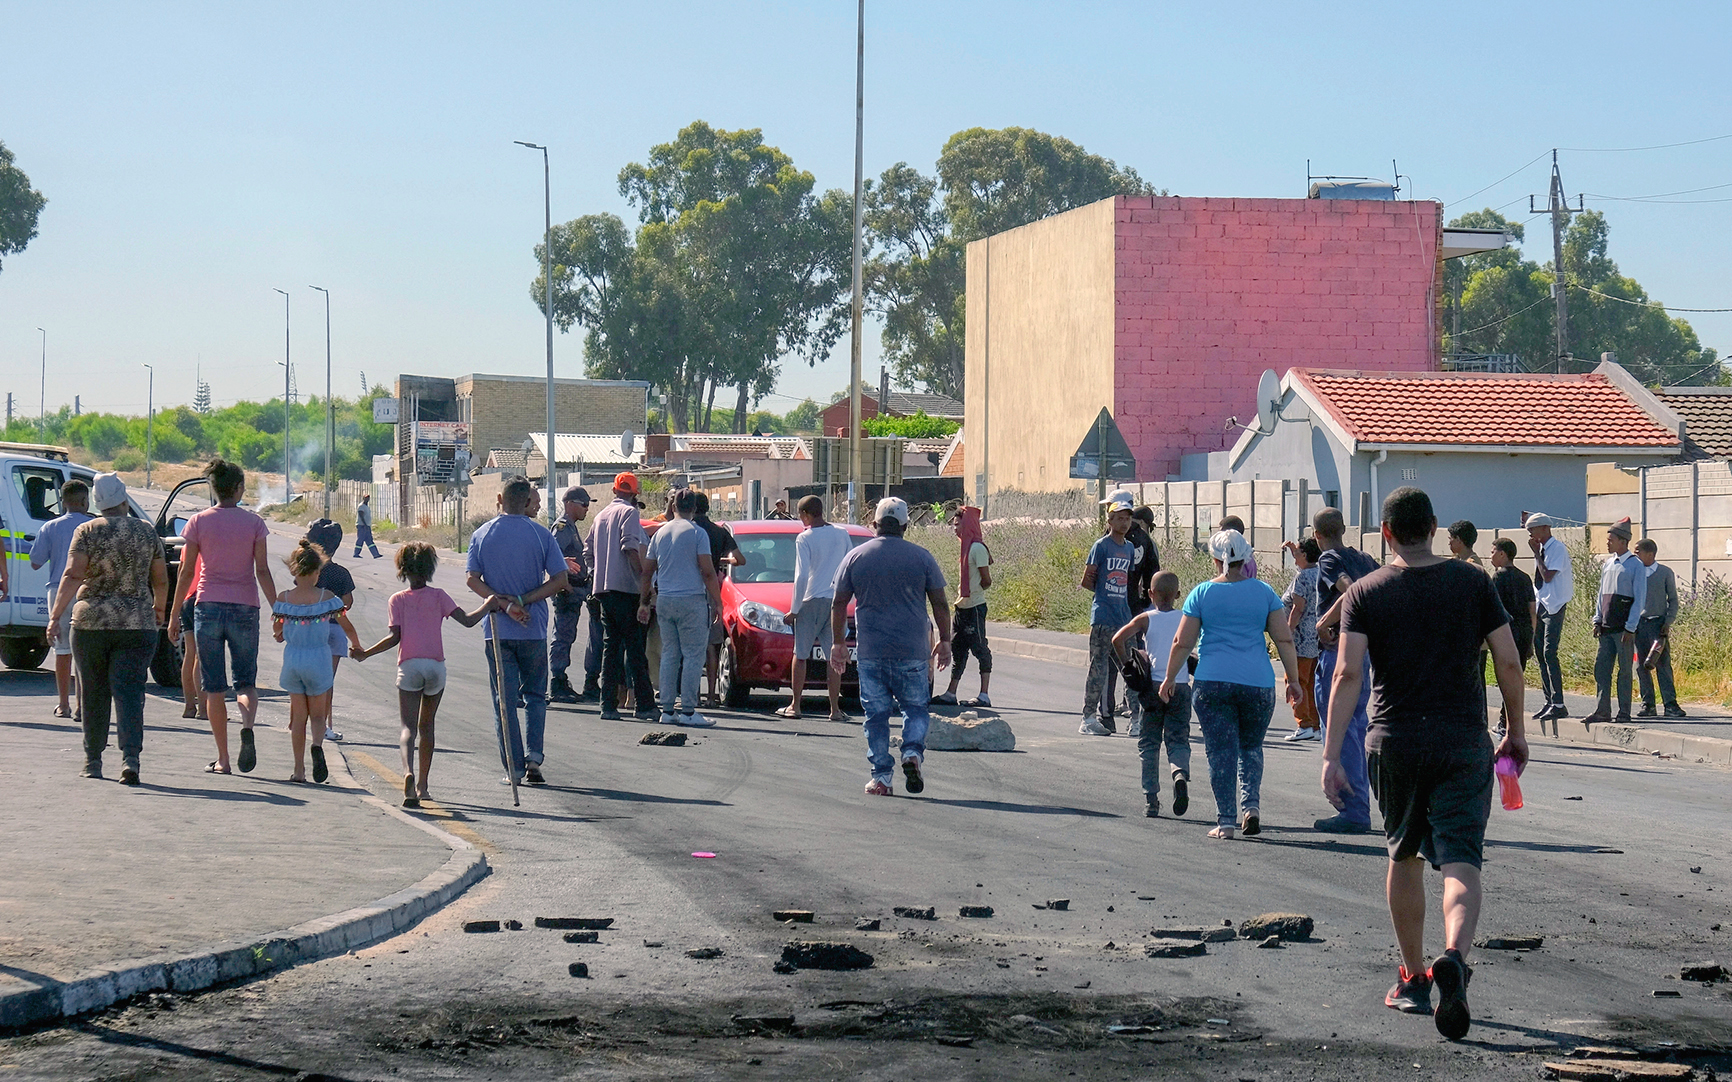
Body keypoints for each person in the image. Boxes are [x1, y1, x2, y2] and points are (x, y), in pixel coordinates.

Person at [1324, 486, 1529, 1041]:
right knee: (1462, 860)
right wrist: (1515, 730)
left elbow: (1345, 676)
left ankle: (1414, 977)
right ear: (1435, 527)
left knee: (1405, 853)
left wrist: (1329, 753)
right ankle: (1455, 958)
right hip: (1463, 741)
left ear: (1386, 532)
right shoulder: (1473, 582)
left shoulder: (1366, 592)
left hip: (1394, 743)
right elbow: (1508, 661)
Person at [1158, 530, 1300, 839]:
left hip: (1213, 684)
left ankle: (1226, 822)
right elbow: (1284, 638)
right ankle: (1251, 807)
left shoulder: (1202, 593)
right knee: (1251, 748)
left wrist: (1170, 677)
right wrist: (1293, 680)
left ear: (1215, 559)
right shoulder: (1264, 593)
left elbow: (1183, 642)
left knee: (1220, 753)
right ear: (1246, 558)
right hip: (1257, 683)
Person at [353, 541, 499, 807]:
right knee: (427, 727)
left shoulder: (396, 600)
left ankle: (407, 772)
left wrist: (365, 653)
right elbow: (467, 620)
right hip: (435, 667)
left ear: (403, 570)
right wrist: (488, 605)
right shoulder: (439, 596)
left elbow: (393, 638)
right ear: (429, 568)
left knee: (408, 727)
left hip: (409, 666)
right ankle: (423, 786)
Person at [46, 474, 168, 785]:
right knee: (130, 692)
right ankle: (130, 759)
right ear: (125, 500)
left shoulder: (86, 531)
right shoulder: (147, 532)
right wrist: (159, 610)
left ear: (97, 504)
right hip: (137, 624)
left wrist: (56, 614)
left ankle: (93, 760)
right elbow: (160, 579)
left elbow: (73, 575)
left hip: (91, 624)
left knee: (93, 690)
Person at [830, 497, 952, 796]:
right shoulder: (922, 557)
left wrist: (838, 643)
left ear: (874, 524)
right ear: (906, 526)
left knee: (876, 716)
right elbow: (940, 603)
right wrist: (946, 641)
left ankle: (882, 777)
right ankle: (911, 752)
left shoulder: (856, 557)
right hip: (912, 650)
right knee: (915, 709)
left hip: (872, 651)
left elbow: (838, 603)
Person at [168, 459, 278, 775]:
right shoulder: (255, 524)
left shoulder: (198, 523)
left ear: (213, 489)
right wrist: (279, 610)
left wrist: (175, 614)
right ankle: (247, 725)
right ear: (240, 489)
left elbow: (186, 572)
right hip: (245, 606)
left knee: (214, 686)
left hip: (208, 607)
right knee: (246, 682)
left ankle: (224, 759)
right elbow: (262, 570)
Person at [465, 476, 570, 785]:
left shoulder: (482, 534)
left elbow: (473, 578)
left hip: (497, 628)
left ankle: (512, 767)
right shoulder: (540, 535)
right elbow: (560, 579)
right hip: (534, 628)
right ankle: (534, 758)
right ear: (526, 502)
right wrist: (524, 600)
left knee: (505, 700)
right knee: (536, 695)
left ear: (500, 498)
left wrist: (503, 604)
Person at [1310, 507, 1380, 834]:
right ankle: (1360, 801)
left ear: (1317, 535)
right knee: (1357, 723)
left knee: (1339, 726)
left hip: (1337, 650)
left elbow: (1351, 590)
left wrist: (1325, 620)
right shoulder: (1365, 559)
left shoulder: (1328, 560)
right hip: (1363, 649)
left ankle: (1354, 808)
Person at [271, 540, 362, 784]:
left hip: (293, 659)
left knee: (298, 717)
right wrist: (355, 644)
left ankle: (299, 769)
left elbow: (277, 629)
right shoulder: (328, 598)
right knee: (318, 715)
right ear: (317, 572)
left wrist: (281, 634)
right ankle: (317, 745)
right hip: (319, 658)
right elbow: (346, 624)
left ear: (293, 570)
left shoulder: (284, 598)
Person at [638, 488, 723, 727]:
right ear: (694, 509)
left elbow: (647, 571)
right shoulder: (697, 533)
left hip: (665, 599)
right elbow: (707, 571)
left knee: (670, 654)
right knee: (693, 655)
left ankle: (667, 709)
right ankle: (687, 710)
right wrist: (717, 602)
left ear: (673, 506)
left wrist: (644, 602)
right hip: (692, 599)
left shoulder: (660, 533)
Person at [1112, 569, 1192, 818]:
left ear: (1150, 593)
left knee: (1149, 743)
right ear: (1178, 594)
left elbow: (1117, 639)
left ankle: (1151, 800)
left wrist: (1128, 665)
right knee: (1177, 739)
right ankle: (1178, 773)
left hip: (1153, 687)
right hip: (1179, 685)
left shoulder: (1146, 618)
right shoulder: (1186, 619)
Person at [588, 472, 658, 721]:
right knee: (635, 649)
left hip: (604, 591)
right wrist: (644, 580)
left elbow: (588, 552)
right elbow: (629, 546)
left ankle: (607, 705)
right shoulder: (629, 513)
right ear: (633, 494)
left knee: (611, 648)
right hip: (626, 590)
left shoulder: (600, 516)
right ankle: (645, 705)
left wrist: (597, 573)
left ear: (615, 490)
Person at [782, 494, 853, 721]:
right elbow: (849, 565)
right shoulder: (842, 534)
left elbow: (801, 576)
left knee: (800, 654)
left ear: (805, 515)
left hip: (811, 600)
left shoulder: (805, 538)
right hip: (836, 602)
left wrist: (794, 609)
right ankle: (834, 709)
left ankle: (796, 705)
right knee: (834, 655)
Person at [1079, 491, 1144, 735]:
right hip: (1104, 617)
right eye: (1119, 518)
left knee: (1132, 669)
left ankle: (1136, 720)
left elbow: (1129, 581)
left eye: (1127, 518)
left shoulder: (1129, 548)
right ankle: (1088, 717)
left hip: (1124, 618)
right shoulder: (1101, 546)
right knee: (1099, 668)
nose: (1124, 523)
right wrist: (1104, 595)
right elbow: (1087, 579)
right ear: (1109, 521)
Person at [29, 477, 93, 721]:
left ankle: (63, 704)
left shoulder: (50, 527)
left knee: (62, 649)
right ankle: (82, 706)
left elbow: (35, 562)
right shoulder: (93, 525)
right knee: (84, 652)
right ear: (85, 501)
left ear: (63, 502)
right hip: (86, 590)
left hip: (57, 591)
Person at [932, 504, 994, 709]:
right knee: (958, 650)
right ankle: (951, 693)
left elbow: (987, 580)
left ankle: (984, 695)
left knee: (980, 649)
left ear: (968, 526)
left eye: (958, 525)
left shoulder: (976, 548)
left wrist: (974, 590)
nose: (955, 529)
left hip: (974, 607)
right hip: (962, 607)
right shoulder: (965, 547)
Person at [1586, 518, 1645, 724]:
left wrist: (1631, 627)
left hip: (1623, 630)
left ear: (1623, 541)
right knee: (1602, 670)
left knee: (1624, 672)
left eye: (1611, 540)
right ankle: (1602, 710)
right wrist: (1597, 619)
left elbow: (1639, 599)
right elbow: (1602, 594)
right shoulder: (1608, 564)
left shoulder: (1635, 565)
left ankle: (1624, 712)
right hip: (1606, 628)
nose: (1608, 543)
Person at [304, 519, 354, 741]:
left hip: (308, 630)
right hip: (333, 630)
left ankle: (298, 721)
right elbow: (348, 601)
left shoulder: (308, 571)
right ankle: (324, 726)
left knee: (306, 678)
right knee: (327, 680)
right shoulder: (340, 573)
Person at [692, 492, 743, 706]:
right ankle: (712, 696)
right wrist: (721, 559)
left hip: (689, 588)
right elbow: (740, 560)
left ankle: (692, 694)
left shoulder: (687, 530)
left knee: (690, 646)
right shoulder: (719, 532)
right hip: (712, 590)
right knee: (712, 645)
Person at [1525, 512, 1574, 724]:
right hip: (1542, 603)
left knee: (1549, 651)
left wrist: (1536, 554)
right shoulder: (1543, 549)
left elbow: (1548, 576)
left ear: (1544, 528)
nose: (1530, 534)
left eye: (1533, 530)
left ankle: (1559, 703)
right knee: (1540, 652)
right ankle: (1549, 700)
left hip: (1555, 604)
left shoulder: (1557, 549)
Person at [548, 486, 593, 704]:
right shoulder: (563, 526)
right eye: (583, 504)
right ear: (570, 504)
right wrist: (566, 585)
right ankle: (557, 682)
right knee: (562, 636)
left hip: (575, 589)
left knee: (568, 635)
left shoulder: (572, 527)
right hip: (567, 590)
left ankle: (561, 679)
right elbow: (552, 555)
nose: (586, 509)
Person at [1489, 539, 1538, 733]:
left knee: (1504, 677)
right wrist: (1532, 638)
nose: (1490, 554)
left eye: (1493, 551)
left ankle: (1504, 720)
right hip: (1525, 632)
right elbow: (1532, 610)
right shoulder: (1525, 577)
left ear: (1503, 554)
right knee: (1516, 678)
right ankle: (1509, 721)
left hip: (1506, 633)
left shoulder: (1497, 578)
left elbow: (1494, 609)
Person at [1633, 538, 1685, 719]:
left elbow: (1673, 600)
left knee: (1662, 664)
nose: (1635, 554)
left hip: (1658, 624)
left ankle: (1670, 704)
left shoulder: (1664, 573)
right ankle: (1648, 705)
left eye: (1638, 552)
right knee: (1641, 666)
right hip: (1639, 624)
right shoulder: (1635, 572)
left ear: (1650, 554)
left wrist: (1668, 622)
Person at [1279, 537, 1322, 741]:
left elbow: (1298, 608)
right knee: (1311, 681)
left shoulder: (1303, 578)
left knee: (1296, 680)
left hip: (1300, 638)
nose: (1294, 557)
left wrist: (1287, 632)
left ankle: (1303, 723)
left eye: (1298, 553)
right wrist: (1292, 549)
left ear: (1305, 555)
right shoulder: (1318, 572)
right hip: (1315, 638)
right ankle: (1314, 724)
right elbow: (1302, 563)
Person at [353, 493, 383, 559]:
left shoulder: (367, 507)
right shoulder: (361, 506)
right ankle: (356, 553)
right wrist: (365, 524)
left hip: (367, 526)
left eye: (368, 498)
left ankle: (376, 554)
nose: (367, 499)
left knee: (369, 541)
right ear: (363, 498)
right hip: (362, 526)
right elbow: (361, 515)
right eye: (366, 498)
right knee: (360, 540)